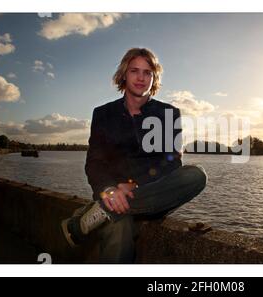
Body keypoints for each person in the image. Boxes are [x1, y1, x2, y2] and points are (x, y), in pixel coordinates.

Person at [61, 48, 207, 263]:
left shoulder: (169, 114)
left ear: (154, 78)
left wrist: (135, 184)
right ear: (124, 74)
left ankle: (98, 213)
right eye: (134, 71)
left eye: (147, 72)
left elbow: (172, 161)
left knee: (196, 175)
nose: (141, 77)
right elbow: (95, 162)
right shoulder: (102, 114)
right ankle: (108, 209)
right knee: (119, 227)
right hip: (112, 196)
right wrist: (109, 188)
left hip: (152, 197)